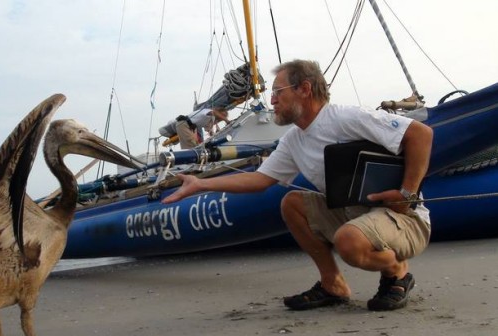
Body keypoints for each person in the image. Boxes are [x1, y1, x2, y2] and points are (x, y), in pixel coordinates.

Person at [162, 59, 433, 312]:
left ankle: (396, 271)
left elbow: (421, 134)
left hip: (403, 218)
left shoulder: (346, 118)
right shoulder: (294, 139)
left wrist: (407, 193)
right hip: (355, 216)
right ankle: (333, 285)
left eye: (278, 92)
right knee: (292, 204)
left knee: (348, 240)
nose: (272, 100)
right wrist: (200, 184)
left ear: (304, 89)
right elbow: (260, 179)